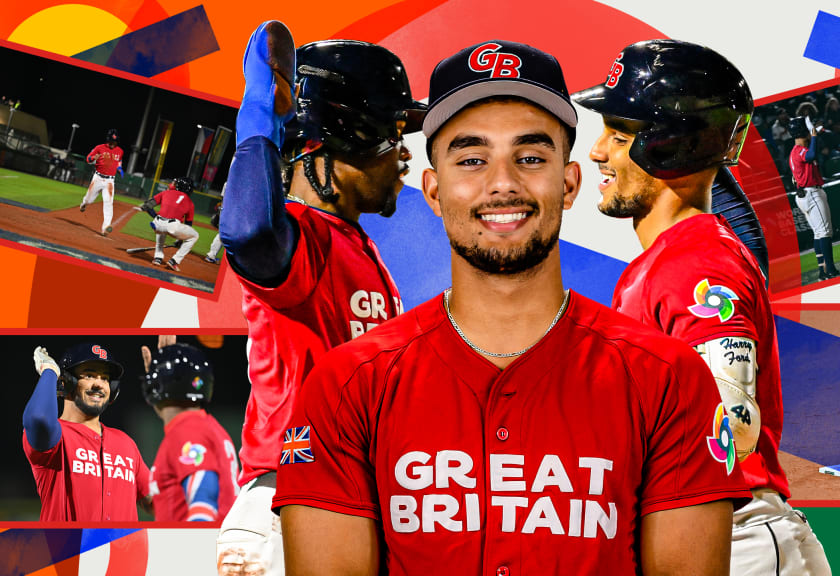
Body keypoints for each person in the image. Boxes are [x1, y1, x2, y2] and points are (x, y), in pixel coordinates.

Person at [273, 39, 750, 576]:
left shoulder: (669, 379)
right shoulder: (345, 385)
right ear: (433, 189)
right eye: (472, 158)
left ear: (568, 184)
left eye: (530, 157)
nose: (502, 184)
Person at [573, 40, 831, 575]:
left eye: (618, 135)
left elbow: (731, 432)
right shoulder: (674, 260)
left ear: (671, 147)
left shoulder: (695, 269)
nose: (597, 151)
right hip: (714, 538)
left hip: (729, 543)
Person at [216, 21, 425, 575]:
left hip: (342, 506)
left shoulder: (354, 244)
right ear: (337, 142)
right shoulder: (298, 236)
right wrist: (261, 110)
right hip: (291, 502)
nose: (403, 156)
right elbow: (247, 232)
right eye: (390, 137)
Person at [22, 343, 151, 521]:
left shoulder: (125, 443)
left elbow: (157, 502)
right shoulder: (56, 437)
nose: (99, 384)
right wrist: (50, 372)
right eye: (89, 375)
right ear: (66, 382)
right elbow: (39, 418)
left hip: (123, 549)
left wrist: (169, 399)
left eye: (105, 378)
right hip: (71, 549)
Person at [142, 338, 240, 522]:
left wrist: (194, 549)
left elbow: (203, 500)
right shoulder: (204, 426)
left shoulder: (187, 431)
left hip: (198, 548)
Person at [788, 117, 840, 281]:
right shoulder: (799, 150)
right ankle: (831, 270)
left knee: (819, 233)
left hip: (805, 194)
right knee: (825, 232)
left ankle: (823, 272)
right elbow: (810, 155)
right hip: (811, 193)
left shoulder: (794, 151)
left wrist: (816, 133)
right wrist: (815, 135)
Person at [138, 177, 199, 272]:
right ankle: (174, 261)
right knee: (194, 236)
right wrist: (180, 240)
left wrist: (156, 217)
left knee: (161, 231)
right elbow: (188, 224)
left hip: (157, 224)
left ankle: (158, 258)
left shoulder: (166, 192)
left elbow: (147, 206)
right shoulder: (190, 203)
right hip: (173, 226)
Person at [79, 128, 124, 236]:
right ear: (108, 140)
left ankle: (105, 227)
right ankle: (84, 203)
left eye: (115, 142)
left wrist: (120, 168)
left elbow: (119, 160)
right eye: (112, 141)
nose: (113, 144)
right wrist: (94, 157)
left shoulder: (120, 151)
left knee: (108, 203)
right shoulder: (99, 148)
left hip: (110, 181)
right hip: (98, 178)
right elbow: (88, 159)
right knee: (90, 200)